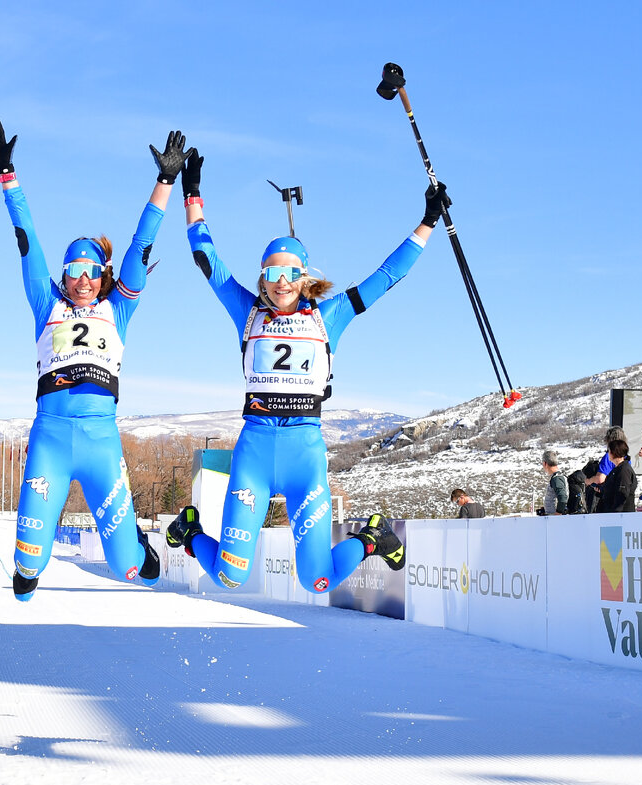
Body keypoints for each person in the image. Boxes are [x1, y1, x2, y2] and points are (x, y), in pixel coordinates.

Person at [167, 145, 449, 593]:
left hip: (304, 456)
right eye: (273, 274)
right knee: (229, 575)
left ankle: (372, 539)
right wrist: (192, 196)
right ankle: (189, 531)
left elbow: (386, 276)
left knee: (317, 579)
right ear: (262, 279)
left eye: (291, 273)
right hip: (255, 452)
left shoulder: (328, 316)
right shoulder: (246, 310)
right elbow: (207, 260)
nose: (282, 282)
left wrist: (428, 221)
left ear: (304, 276)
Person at [0, 118, 179, 600]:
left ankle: (144, 549)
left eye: (93, 270)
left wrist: (165, 183)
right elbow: (26, 239)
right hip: (49, 439)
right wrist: (8, 175)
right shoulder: (46, 303)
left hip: (100, 445)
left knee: (128, 569)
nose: (84, 279)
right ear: (64, 274)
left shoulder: (119, 307)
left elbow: (141, 246)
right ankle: (28, 575)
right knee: (25, 574)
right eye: (74, 270)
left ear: (103, 274)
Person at [596, 440, 637, 513]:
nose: (608, 454)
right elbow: (613, 488)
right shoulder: (617, 469)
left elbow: (622, 493)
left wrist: (616, 513)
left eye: (609, 451)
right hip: (611, 512)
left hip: (621, 515)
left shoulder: (624, 470)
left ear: (614, 452)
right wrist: (602, 489)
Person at [540, 450, 568, 515]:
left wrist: (558, 513)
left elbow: (562, 498)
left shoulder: (557, 479)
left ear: (545, 463)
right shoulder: (558, 477)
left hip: (555, 519)